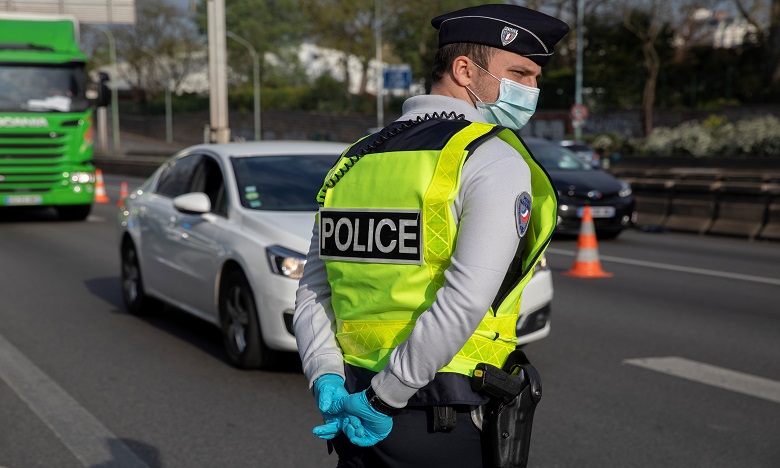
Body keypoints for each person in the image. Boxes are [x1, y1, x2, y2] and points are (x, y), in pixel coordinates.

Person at [294, 4, 569, 466]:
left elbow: (312, 291)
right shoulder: (490, 158)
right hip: (440, 414)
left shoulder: (354, 159)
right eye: (520, 73)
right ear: (464, 69)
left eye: (536, 77)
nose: (532, 89)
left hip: (351, 411)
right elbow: (465, 298)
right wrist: (384, 398)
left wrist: (325, 377)